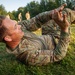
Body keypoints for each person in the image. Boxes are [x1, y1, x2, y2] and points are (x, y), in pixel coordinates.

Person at [0, 4, 70, 66]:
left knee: (56, 15)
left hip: (47, 35)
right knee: (66, 13)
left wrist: (51, 13)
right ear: (8, 38)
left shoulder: (19, 28)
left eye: (16, 23)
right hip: (57, 42)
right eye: (15, 27)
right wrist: (64, 29)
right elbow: (57, 55)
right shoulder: (28, 55)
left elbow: (36, 21)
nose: (20, 26)